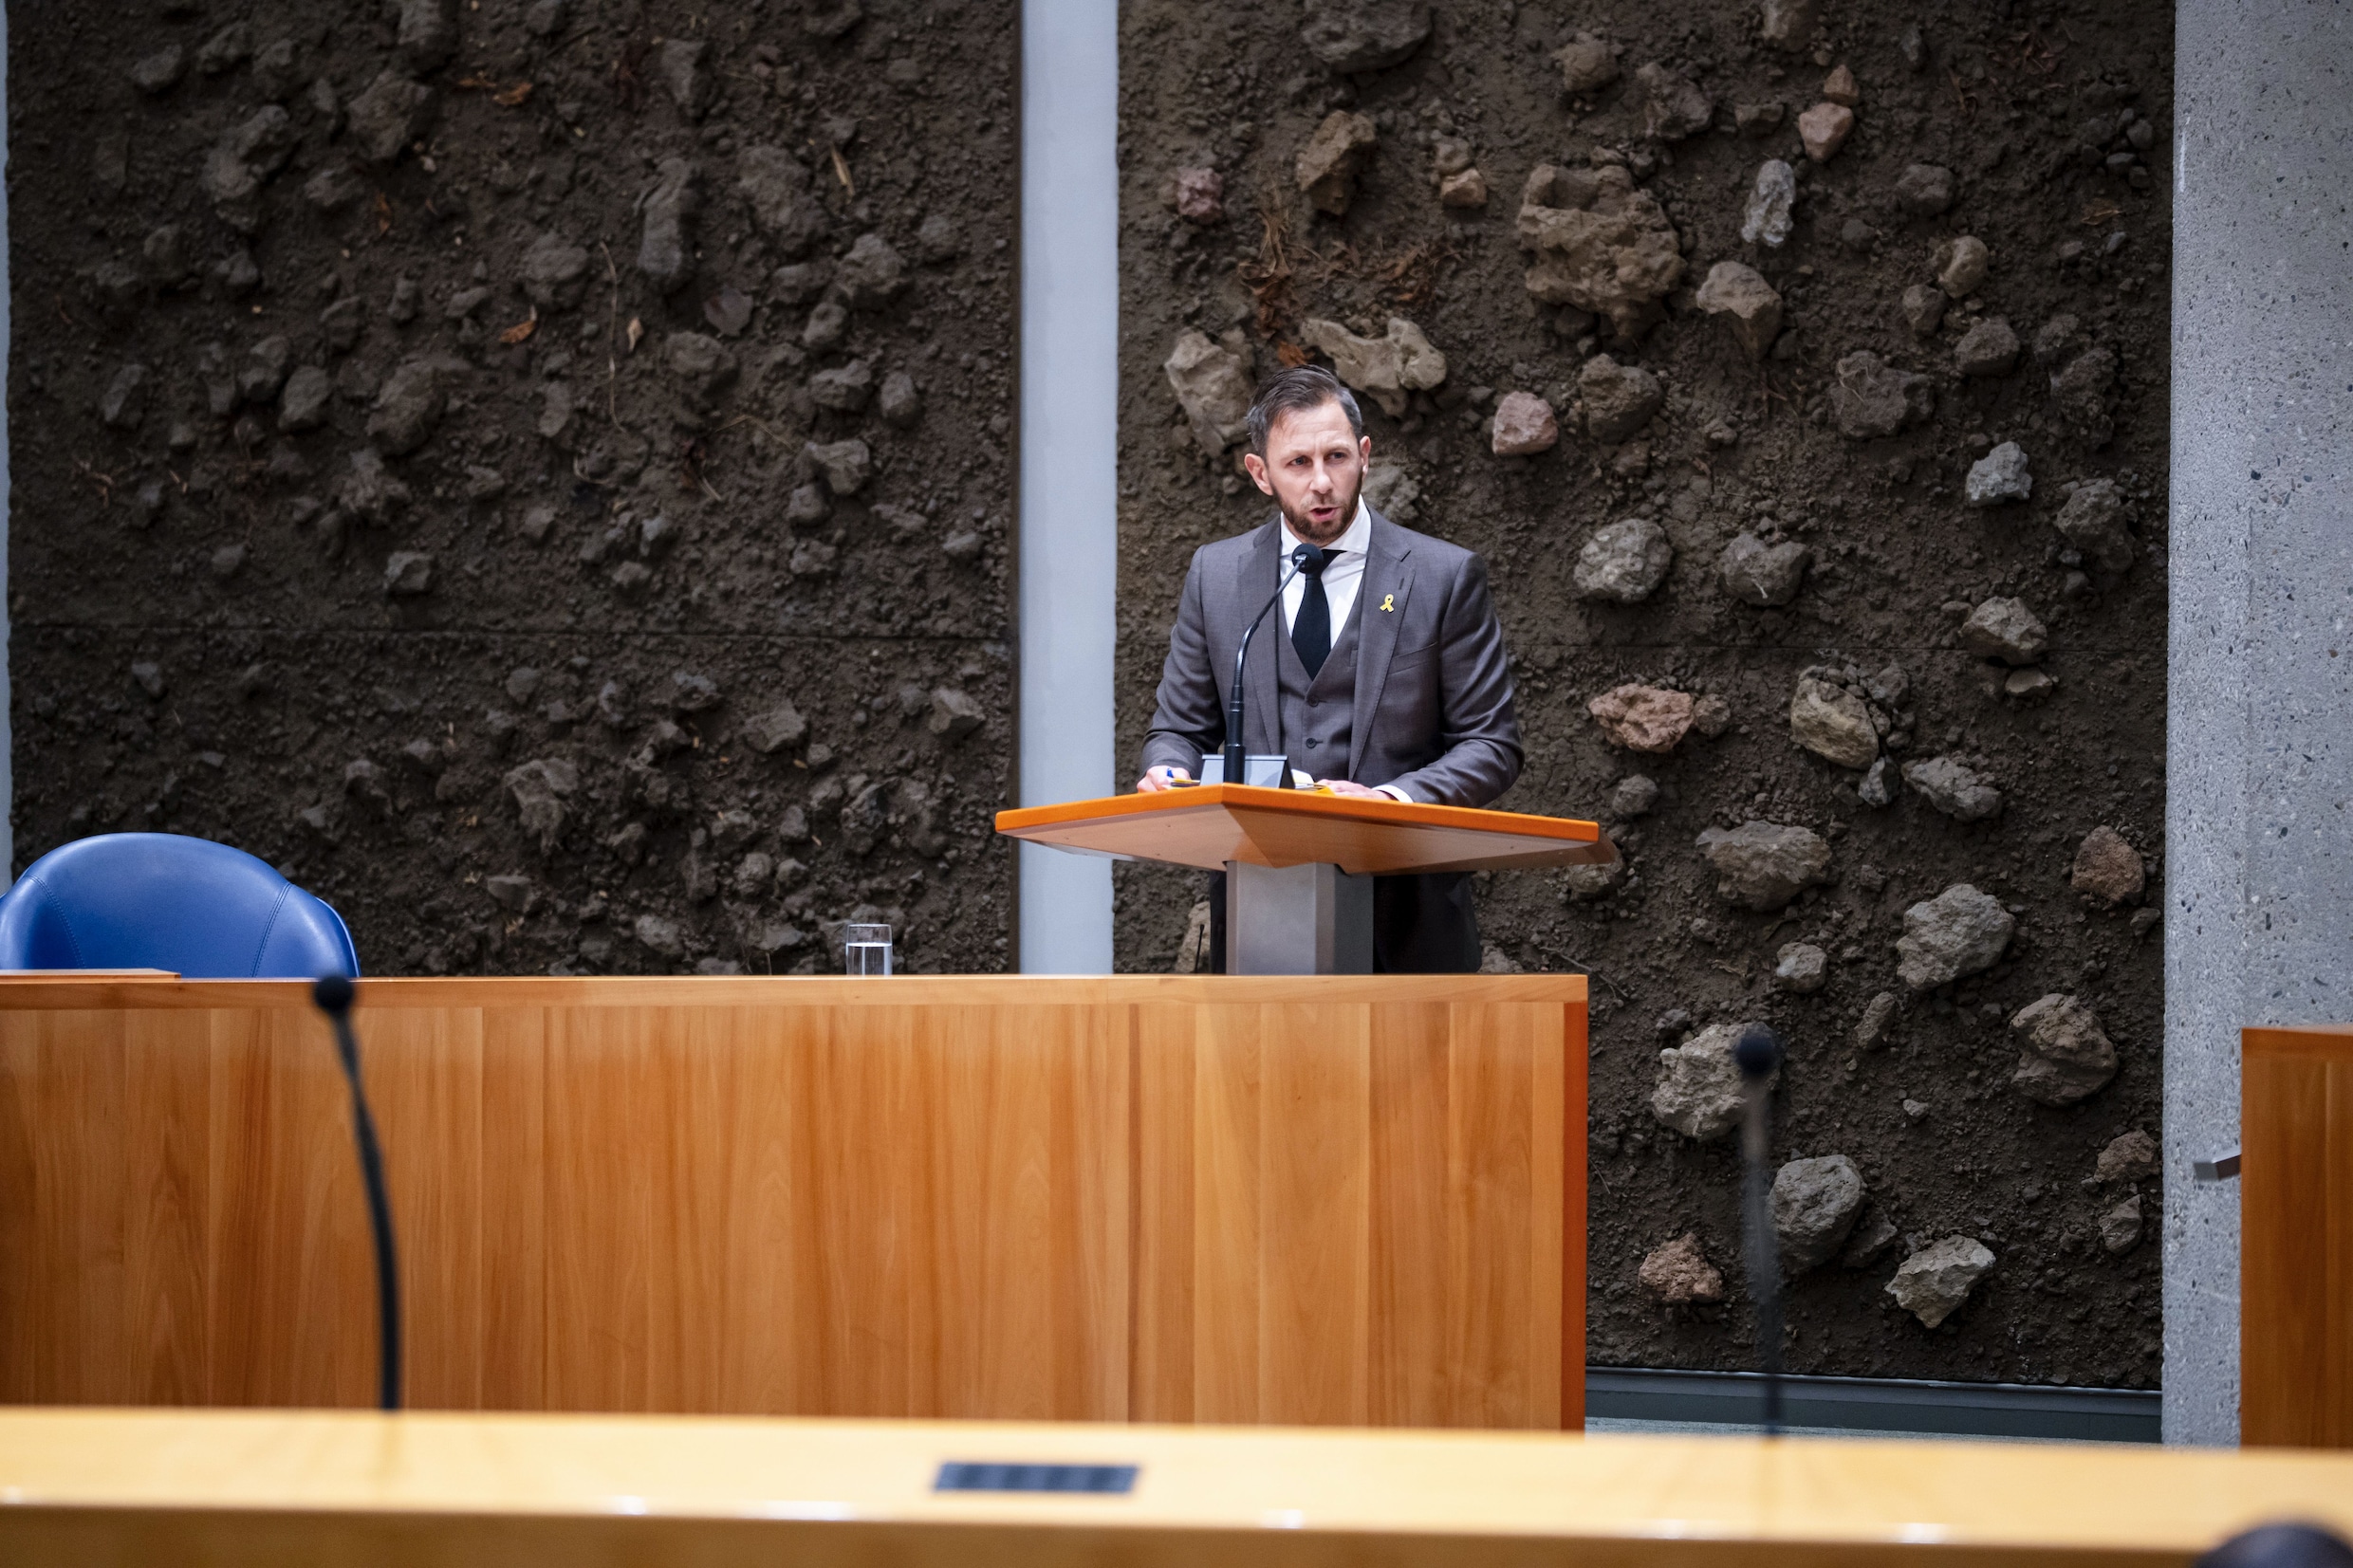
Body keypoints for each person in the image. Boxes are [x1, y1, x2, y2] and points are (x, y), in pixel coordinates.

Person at [1136, 364, 1522, 973]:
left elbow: (1491, 745)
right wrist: (1167, 771)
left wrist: (1390, 799)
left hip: (1409, 924)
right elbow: (1178, 729)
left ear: (1365, 455)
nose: (1322, 483)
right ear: (1260, 473)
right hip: (1257, 918)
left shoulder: (1443, 576)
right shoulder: (1218, 576)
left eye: (1337, 457)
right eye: (1298, 463)